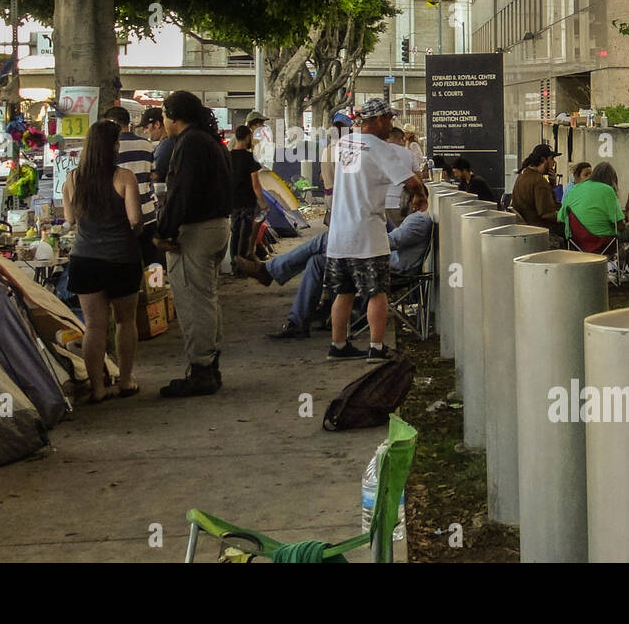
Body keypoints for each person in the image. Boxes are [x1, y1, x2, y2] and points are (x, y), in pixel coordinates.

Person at [239, 182, 433, 338]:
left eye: (405, 197)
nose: (401, 201)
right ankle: (297, 321)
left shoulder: (419, 220)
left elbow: (391, 242)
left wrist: (359, 235)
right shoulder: (414, 220)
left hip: (388, 266)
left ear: (416, 199)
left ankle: (270, 271)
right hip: (377, 258)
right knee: (316, 261)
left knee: (326, 239)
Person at [324, 98, 421, 362]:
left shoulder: (344, 143)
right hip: (366, 233)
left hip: (338, 234)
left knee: (343, 291)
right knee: (376, 292)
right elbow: (411, 181)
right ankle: (376, 348)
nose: (390, 124)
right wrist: (420, 197)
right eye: (388, 119)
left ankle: (338, 345)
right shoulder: (379, 148)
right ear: (377, 120)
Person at [153, 91, 233, 397]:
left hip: (196, 232)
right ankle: (209, 365)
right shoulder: (212, 141)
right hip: (219, 227)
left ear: (174, 116)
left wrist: (164, 230)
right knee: (207, 299)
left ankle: (201, 370)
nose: (163, 121)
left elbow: (180, 193)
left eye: (163, 115)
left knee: (193, 302)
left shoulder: (189, 144)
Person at [63, 120, 144, 403]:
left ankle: (97, 387)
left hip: (84, 260)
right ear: (113, 146)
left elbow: (70, 220)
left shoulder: (72, 179)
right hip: (121, 259)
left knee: (94, 326)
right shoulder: (124, 177)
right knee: (125, 321)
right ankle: (125, 380)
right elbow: (134, 219)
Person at [104, 105, 161, 273]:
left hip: (123, 216)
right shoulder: (146, 144)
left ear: (112, 123)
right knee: (151, 267)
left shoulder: (111, 147)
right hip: (148, 213)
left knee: (126, 269)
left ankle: (133, 298)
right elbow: (154, 175)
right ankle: (155, 296)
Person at [228, 125, 269, 267]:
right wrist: (263, 202)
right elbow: (256, 184)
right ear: (247, 137)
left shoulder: (228, 157)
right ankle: (243, 263)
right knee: (245, 233)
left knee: (235, 232)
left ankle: (234, 262)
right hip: (247, 202)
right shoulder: (249, 158)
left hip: (232, 201)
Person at [557, 161, 626, 244]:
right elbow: (620, 225)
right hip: (603, 243)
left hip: (577, 244)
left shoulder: (572, 190)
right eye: (586, 174)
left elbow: (560, 218)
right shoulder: (607, 190)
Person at [511, 143, 564, 247]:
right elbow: (546, 213)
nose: (553, 163)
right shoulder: (539, 182)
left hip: (526, 226)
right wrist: (564, 216)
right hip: (539, 228)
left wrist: (552, 184)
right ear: (543, 160)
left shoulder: (524, 175)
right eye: (552, 158)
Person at [383, 126, 423, 228]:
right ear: (401, 139)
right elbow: (418, 176)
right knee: (398, 238)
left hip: (379, 204)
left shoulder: (379, 152)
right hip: (400, 205)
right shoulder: (408, 153)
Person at [320, 110, 352, 227]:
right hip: (340, 197)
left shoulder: (326, 150)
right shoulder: (341, 151)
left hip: (328, 195)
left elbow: (322, 176)